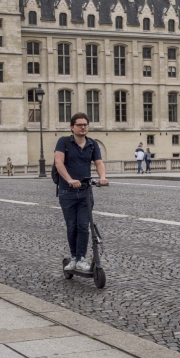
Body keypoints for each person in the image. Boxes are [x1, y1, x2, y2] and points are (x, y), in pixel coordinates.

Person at [54, 113, 108, 272]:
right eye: (80, 125)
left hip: (85, 192)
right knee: (72, 226)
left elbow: (99, 162)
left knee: (84, 225)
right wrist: (70, 180)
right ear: (72, 127)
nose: (83, 127)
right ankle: (74, 257)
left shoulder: (92, 144)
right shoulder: (63, 142)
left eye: (85, 124)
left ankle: (82, 258)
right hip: (67, 192)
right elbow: (59, 162)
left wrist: (103, 177)